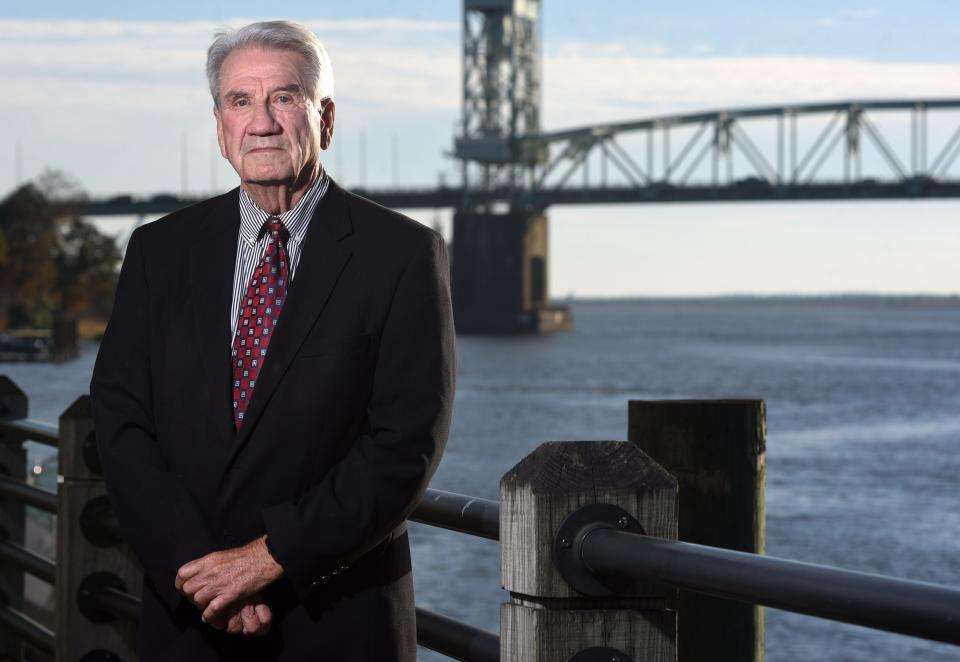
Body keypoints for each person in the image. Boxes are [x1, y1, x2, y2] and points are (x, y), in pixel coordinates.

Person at [90, 20, 455, 661]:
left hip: (336, 620)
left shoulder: (400, 254)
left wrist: (269, 559)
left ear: (327, 118)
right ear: (220, 125)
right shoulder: (159, 251)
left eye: (284, 98)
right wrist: (201, 573)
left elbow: (403, 446)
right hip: (189, 618)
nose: (262, 122)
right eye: (241, 101)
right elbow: (121, 427)